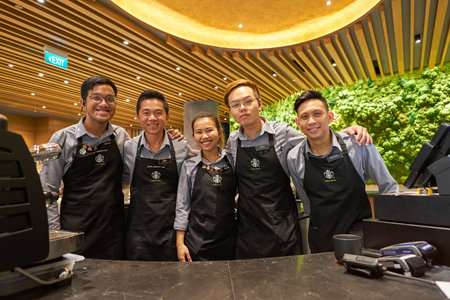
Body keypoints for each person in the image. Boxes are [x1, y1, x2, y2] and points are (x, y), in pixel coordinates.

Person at [224, 79, 372, 259]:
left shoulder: (283, 133)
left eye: (248, 101)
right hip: (248, 226)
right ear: (231, 111)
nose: (243, 108)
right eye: (236, 105)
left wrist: (347, 134)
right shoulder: (233, 141)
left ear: (259, 104)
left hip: (282, 226)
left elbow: (316, 141)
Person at [287, 90, 399, 253]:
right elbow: (307, 203)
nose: (311, 121)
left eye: (317, 114)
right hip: (321, 240)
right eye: (304, 117)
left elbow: (388, 187)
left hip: (361, 239)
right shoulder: (294, 157)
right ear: (298, 123)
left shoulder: (358, 143)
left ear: (330, 117)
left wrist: (390, 232)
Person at [40, 76, 130, 259]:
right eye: (96, 98)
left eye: (110, 99)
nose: (104, 103)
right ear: (83, 102)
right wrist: (57, 238)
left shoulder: (121, 137)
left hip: (113, 235)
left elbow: (127, 177)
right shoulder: (62, 138)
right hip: (74, 234)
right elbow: (48, 193)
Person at [123, 90, 193, 261]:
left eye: (158, 113)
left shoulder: (181, 147)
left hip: (170, 231)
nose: (152, 118)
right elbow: (121, 180)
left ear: (167, 116)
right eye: (146, 113)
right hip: (138, 233)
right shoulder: (128, 148)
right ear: (138, 116)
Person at [175, 112, 237, 262]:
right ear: (194, 136)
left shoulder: (233, 161)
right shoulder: (189, 166)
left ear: (220, 131)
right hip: (197, 242)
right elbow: (183, 206)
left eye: (209, 130)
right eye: (198, 132)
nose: (204, 136)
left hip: (230, 239)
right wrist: (180, 243)